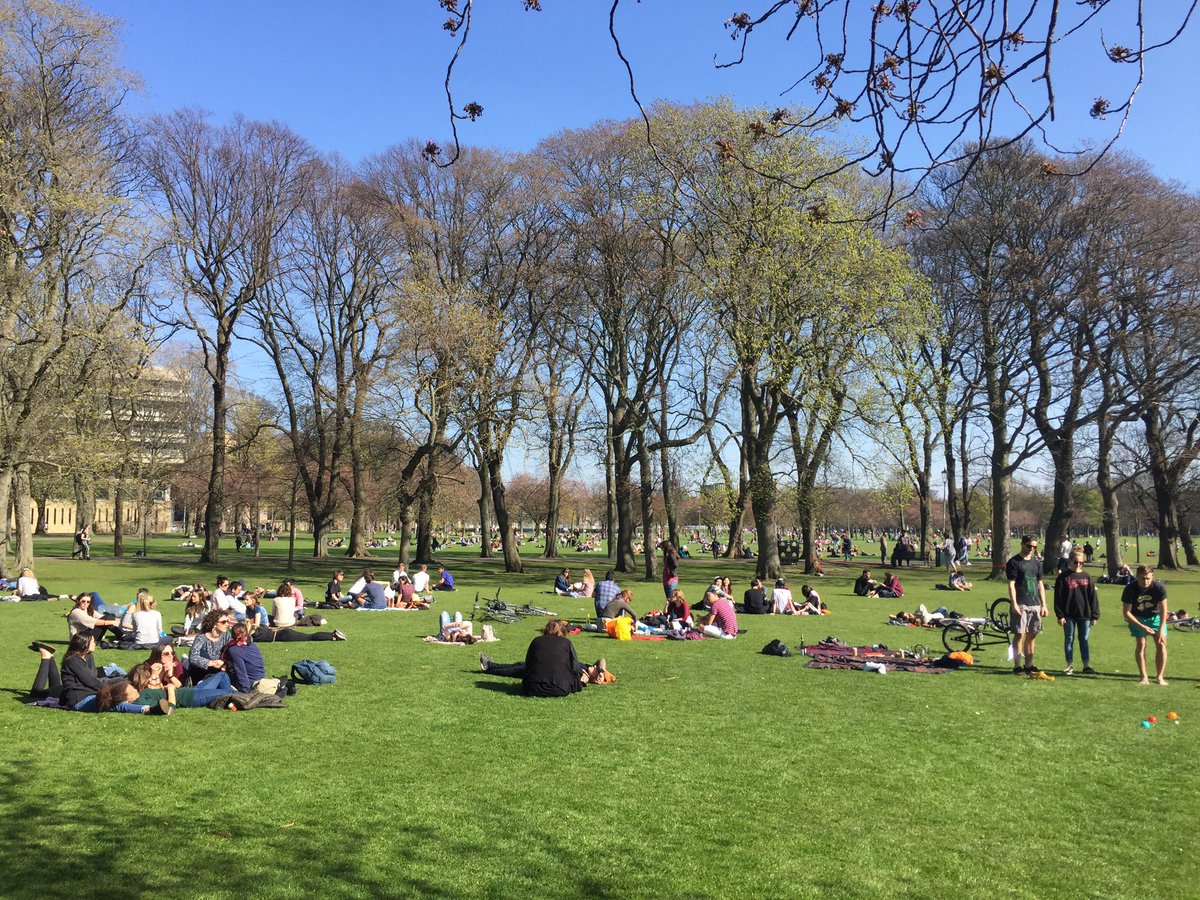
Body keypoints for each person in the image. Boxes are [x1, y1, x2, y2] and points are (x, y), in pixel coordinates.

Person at [479, 619, 608, 697]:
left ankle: (489, 666)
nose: (594, 666)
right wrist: (601, 671)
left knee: (520, 668)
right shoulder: (569, 647)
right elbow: (600, 660)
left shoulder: (537, 640)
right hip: (560, 687)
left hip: (533, 687)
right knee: (519, 664)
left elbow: (529, 665)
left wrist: (583, 680)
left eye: (595, 668)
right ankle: (490, 665)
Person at [1007, 535, 1049, 677]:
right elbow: (1011, 584)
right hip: (1021, 603)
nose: (1031, 549)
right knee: (1019, 634)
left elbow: (1040, 584)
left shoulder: (1036, 563)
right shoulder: (1014, 562)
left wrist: (1044, 605)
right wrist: (1014, 603)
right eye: (1029, 546)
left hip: (1035, 604)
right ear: (1022, 544)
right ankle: (1017, 666)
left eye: (1034, 547)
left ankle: (1029, 666)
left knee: (1032, 635)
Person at [1053, 549, 1099, 675]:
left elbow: (1092, 597)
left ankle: (1086, 665)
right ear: (1070, 561)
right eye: (1076, 562)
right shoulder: (1063, 577)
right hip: (1068, 615)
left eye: (1081, 562)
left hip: (1085, 614)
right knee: (1069, 639)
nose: (1078, 564)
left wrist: (1095, 615)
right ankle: (1069, 665)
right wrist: (1060, 615)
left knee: (1084, 639)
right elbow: (1058, 598)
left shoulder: (1087, 577)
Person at [1122, 564, 1169, 686]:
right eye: (1143, 578)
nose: (1145, 581)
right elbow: (1126, 612)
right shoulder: (1130, 589)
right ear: (1137, 576)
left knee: (1161, 643)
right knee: (1141, 644)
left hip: (1156, 617)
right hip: (1137, 618)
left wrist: (1161, 628)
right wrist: (1141, 626)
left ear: (1152, 576)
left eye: (1148, 578)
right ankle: (1144, 677)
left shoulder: (1159, 587)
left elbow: (1164, 609)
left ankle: (1160, 677)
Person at [188, 609, 233, 683]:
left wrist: (224, 663)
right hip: (202, 673)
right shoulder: (201, 638)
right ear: (214, 624)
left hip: (221, 671)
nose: (227, 624)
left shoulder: (227, 636)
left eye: (227, 621)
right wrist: (211, 663)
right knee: (203, 654)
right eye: (223, 622)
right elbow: (193, 657)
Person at [223, 623, 266, 691]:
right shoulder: (252, 645)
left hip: (251, 683)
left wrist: (244, 691)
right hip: (261, 679)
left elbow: (241, 672)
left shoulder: (234, 650)